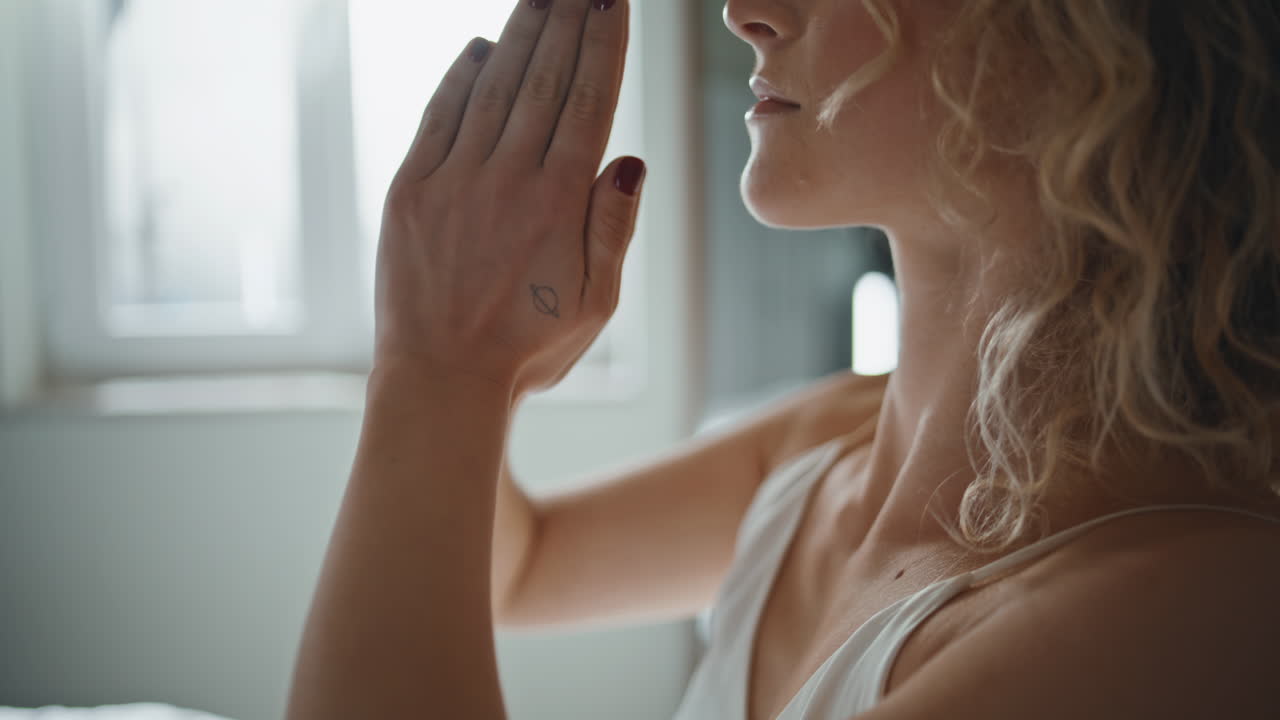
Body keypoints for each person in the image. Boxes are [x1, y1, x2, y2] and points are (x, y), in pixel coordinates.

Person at [285, 0, 1280, 718]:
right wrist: (479, 358)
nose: (745, 12)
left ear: (1086, 41)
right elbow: (523, 567)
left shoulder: (1197, 604)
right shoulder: (825, 444)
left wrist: (437, 370)